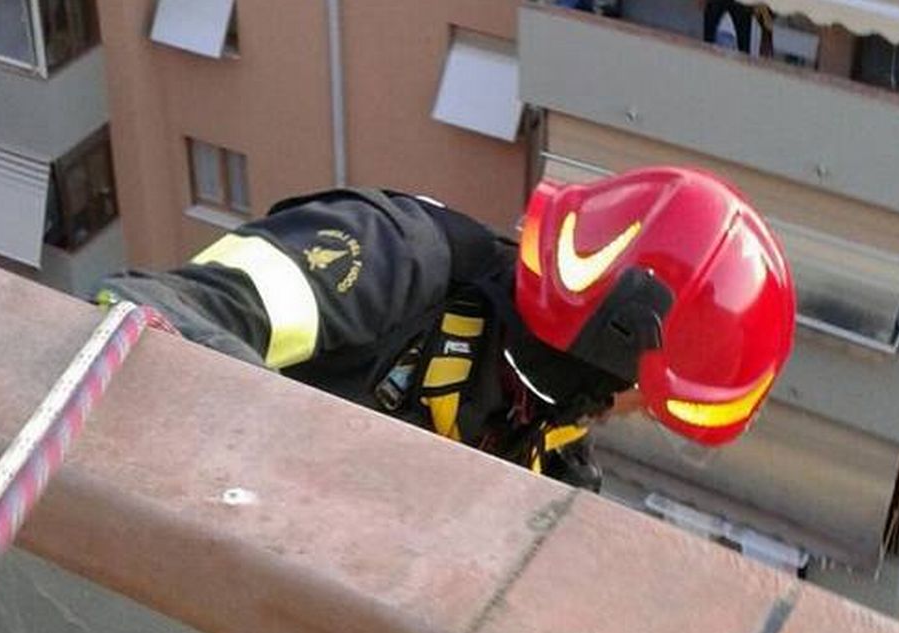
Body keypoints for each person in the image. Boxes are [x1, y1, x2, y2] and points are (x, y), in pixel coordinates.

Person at [97, 167, 795, 489]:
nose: (640, 414)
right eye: (651, 396)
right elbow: (158, 313)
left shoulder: (545, 438)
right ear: (609, 342)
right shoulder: (390, 253)